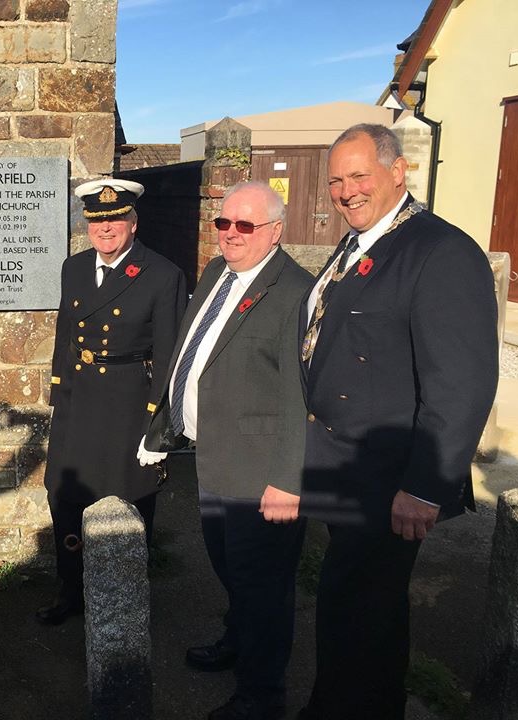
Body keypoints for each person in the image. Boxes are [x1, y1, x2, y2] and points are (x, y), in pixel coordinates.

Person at [298, 124, 499, 719]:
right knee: (359, 610)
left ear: (397, 170)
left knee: (360, 612)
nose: (346, 190)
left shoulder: (440, 251)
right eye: (335, 180)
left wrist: (425, 487)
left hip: (391, 482)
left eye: (359, 175)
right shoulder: (360, 243)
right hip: (345, 470)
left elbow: (460, 385)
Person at [142, 181, 313, 720]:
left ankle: (263, 696)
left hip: (262, 472)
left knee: (264, 586)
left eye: (246, 225)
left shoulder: (296, 292)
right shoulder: (219, 273)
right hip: (214, 456)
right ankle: (238, 639)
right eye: (224, 223)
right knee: (229, 568)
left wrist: (289, 480)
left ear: (276, 231)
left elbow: (301, 397)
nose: (231, 234)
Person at [38, 178, 186, 625]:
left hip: (127, 404)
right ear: (87, 224)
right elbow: (67, 334)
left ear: (133, 223)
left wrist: (157, 425)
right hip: (78, 400)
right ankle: (71, 590)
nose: (106, 228)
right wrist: (59, 390)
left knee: (128, 501)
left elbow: (168, 357)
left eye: (116, 219)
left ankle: (125, 600)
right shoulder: (74, 268)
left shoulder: (162, 275)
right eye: (97, 220)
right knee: (64, 496)